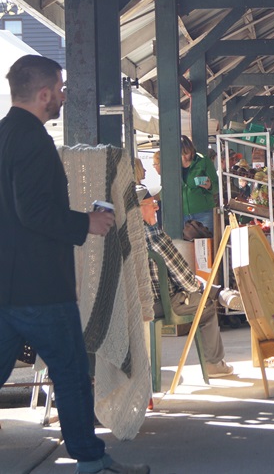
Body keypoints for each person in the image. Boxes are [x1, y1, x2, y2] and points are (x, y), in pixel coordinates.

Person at [0, 54, 148, 474]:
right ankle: (90, 459)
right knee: (70, 374)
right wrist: (87, 222)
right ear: (43, 94)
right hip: (41, 286)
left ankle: (90, 457)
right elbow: (33, 211)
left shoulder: (4, 134)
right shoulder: (32, 140)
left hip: (6, 284)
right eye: (61, 90)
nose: (64, 96)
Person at [139, 188, 234, 378]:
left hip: (136, 304)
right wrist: (199, 286)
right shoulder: (155, 238)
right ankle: (213, 364)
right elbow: (186, 281)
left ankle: (217, 292)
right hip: (161, 304)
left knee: (197, 287)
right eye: (152, 204)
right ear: (138, 210)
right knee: (205, 307)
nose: (157, 207)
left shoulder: (122, 237)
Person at [180, 134, 218, 231]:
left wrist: (210, 186)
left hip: (204, 213)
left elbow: (217, 186)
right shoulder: (172, 165)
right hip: (181, 215)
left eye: (186, 153)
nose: (184, 158)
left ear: (191, 150)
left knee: (206, 244)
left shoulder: (203, 161)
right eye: (180, 154)